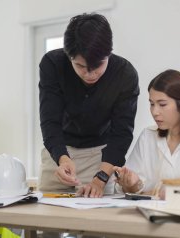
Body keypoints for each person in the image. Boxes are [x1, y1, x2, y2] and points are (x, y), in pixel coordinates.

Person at [38, 13, 139, 198]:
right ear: (69, 57)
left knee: (97, 220)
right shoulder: (52, 64)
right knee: (47, 219)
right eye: (80, 66)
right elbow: (49, 121)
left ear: (109, 53)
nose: (89, 74)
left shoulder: (125, 75)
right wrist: (62, 158)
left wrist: (100, 178)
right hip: (58, 153)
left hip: (100, 159)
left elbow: (121, 134)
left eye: (97, 65)